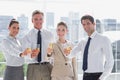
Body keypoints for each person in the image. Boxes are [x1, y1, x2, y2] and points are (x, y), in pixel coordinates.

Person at [68, 15, 114, 80]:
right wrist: (67, 51)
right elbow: (71, 54)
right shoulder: (83, 41)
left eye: (88, 23)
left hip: (98, 75)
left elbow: (110, 61)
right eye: (84, 24)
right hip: (85, 75)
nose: (86, 26)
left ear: (94, 24)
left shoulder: (103, 39)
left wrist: (102, 78)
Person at [22, 10, 54, 80]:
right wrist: (31, 55)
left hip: (47, 66)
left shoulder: (50, 35)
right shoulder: (27, 36)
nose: (38, 21)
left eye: (40, 19)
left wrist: (50, 54)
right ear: (32, 20)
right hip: (33, 67)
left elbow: (52, 52)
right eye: (36, 19)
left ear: (43, 20)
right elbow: (25, 53)